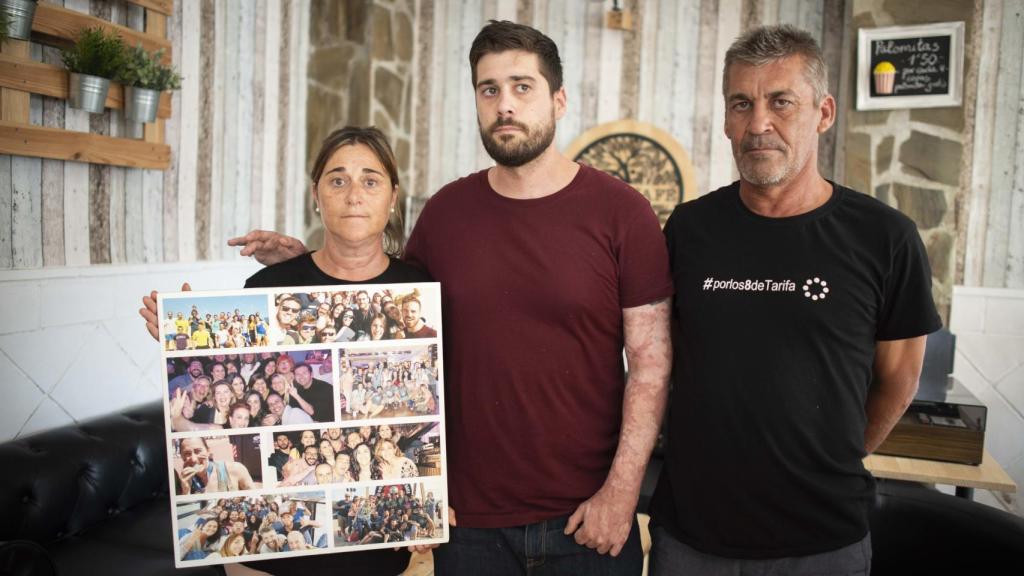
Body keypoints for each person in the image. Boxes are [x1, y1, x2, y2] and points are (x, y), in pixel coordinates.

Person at [232, 20, 671, 575]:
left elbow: (652, 366)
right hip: (467, 524)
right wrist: (304, 265)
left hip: (585, 519)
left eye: (522, 87)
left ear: (559, 100)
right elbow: (381, 303)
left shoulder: (622, 212)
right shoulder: (445, 214)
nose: (504, 105)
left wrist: (621, 496)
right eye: (489, 90)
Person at [646, 25, 941, 575]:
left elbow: (899, 380)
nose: (759, 123)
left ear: (823, 113)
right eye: (742, 103)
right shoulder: (689, 229)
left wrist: (827, 462)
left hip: (824, 541)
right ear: (728, 119)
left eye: (781, 102)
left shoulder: (886, 238)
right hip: (691, 538)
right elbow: (664, 361)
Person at [140, 126, 428, 576]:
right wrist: (182, 342)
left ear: (393, 197)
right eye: (337, 179)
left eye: (371, 180)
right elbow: (224, 415)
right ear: (317, 195)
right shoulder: (269, 286)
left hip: (383, 551)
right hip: (271, 561)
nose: (354, 194)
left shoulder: (421, 292)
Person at [175, 437, 255, 496]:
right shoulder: (182, 481)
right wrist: (186, 491)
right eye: (187, 453)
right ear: (182, 456)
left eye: (198, 451)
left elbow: (256, 499)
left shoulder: (236, 469)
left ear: (208, 451)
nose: (194, 459)